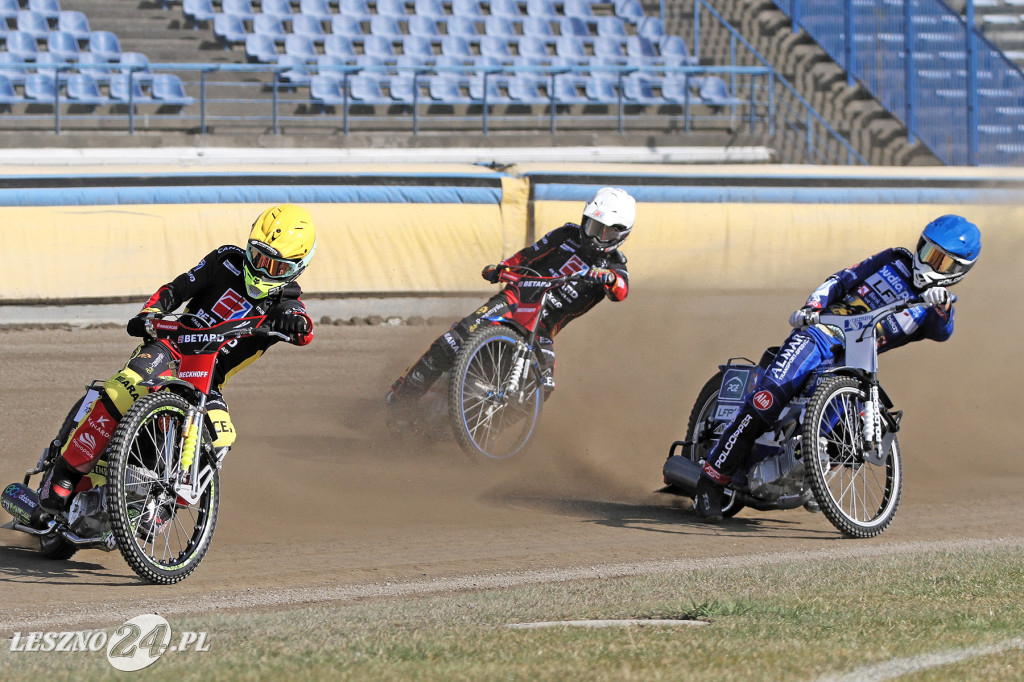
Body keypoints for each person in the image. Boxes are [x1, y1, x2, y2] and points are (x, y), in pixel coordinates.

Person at [693, 214, 982, 523]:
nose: (929, 263)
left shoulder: (935, 307)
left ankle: (810, 478)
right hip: (820, 333)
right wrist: (811, 309)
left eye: (942, 262)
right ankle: (711, 482)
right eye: (927, 252)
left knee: (851, 424)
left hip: (854, 361)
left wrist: (941, 306)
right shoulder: (894, 259)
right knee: (767, 400)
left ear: (958, 272)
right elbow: (842, 279)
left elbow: (943, 331)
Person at [37, 204, 318, 515]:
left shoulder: (286, 302)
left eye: (274, 266)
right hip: (170, 350)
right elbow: (177, 288)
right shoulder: (225, 259)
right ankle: (65, 471)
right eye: (256, 257)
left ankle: (165, 502)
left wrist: (296, 323)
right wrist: (149, 314)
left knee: (223, 436)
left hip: (206, 381)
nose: (262, 269)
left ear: (297, 266)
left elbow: (302, 326)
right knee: (125, 387)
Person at [385, 186, 636, 422]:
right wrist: (502, 268)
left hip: (542, 329)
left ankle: (487, 430)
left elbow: (621, 291)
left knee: (543, 385)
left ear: (621, 235)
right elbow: (527, 255)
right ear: (584, 221)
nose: (597, 237)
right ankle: (401, 397)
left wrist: (610, 279)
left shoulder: (614, 266)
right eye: (593, 227)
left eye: (607, 232)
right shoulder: (566, 235)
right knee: (453, 341)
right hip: (516, 299)